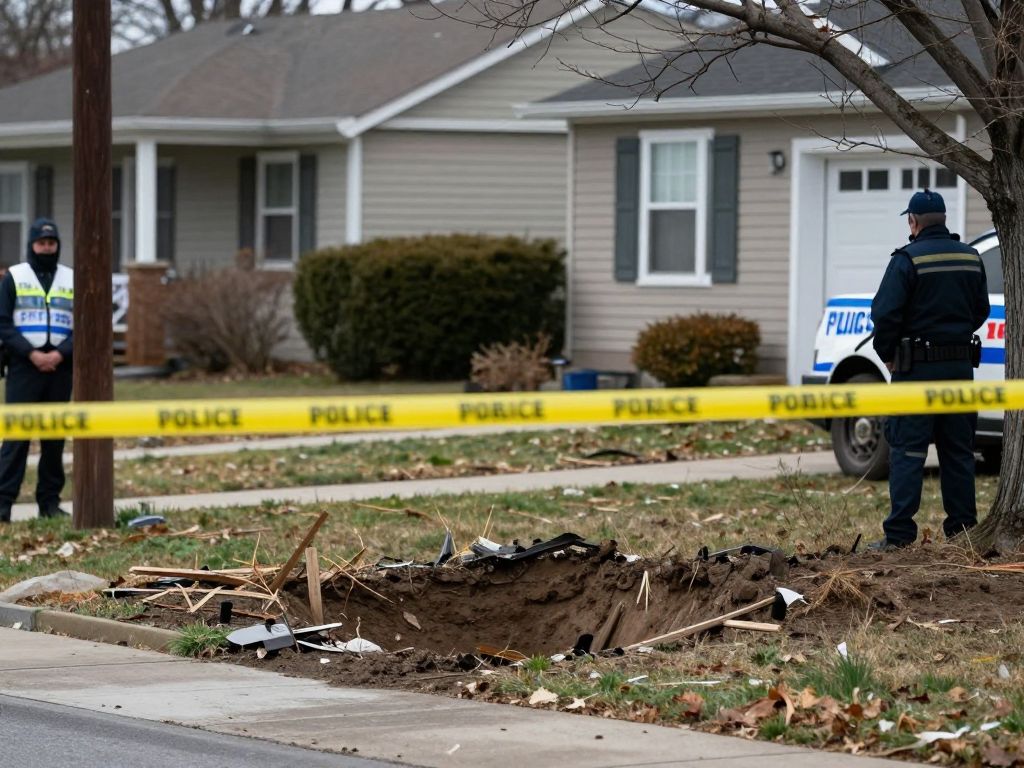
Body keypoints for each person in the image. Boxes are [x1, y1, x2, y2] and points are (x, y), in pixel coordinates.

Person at [869, 189, 989, 550]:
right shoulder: (970, 257)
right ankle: (963, 532)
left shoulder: (906, 259)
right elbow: (980, 310)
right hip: (958, 369)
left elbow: (885, 314)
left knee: (907, 451)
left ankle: (900, 537)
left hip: (916, 371)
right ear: (944, 219)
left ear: (913, 222)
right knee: (958, 451)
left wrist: (888, 353)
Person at [0, 218, 74, 523]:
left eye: (51, 243)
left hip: (60, 367)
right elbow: (3, 322)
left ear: (57, 245)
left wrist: (60, 353)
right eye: (41, 244)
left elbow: (85, 323)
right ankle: (3, 504)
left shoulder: (72, 278)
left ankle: (49, 503)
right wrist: (31, 353)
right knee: (16, 439)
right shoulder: (14, 277)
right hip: (23, 367)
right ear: (32, 245)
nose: (47, 248)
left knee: (54, 439)